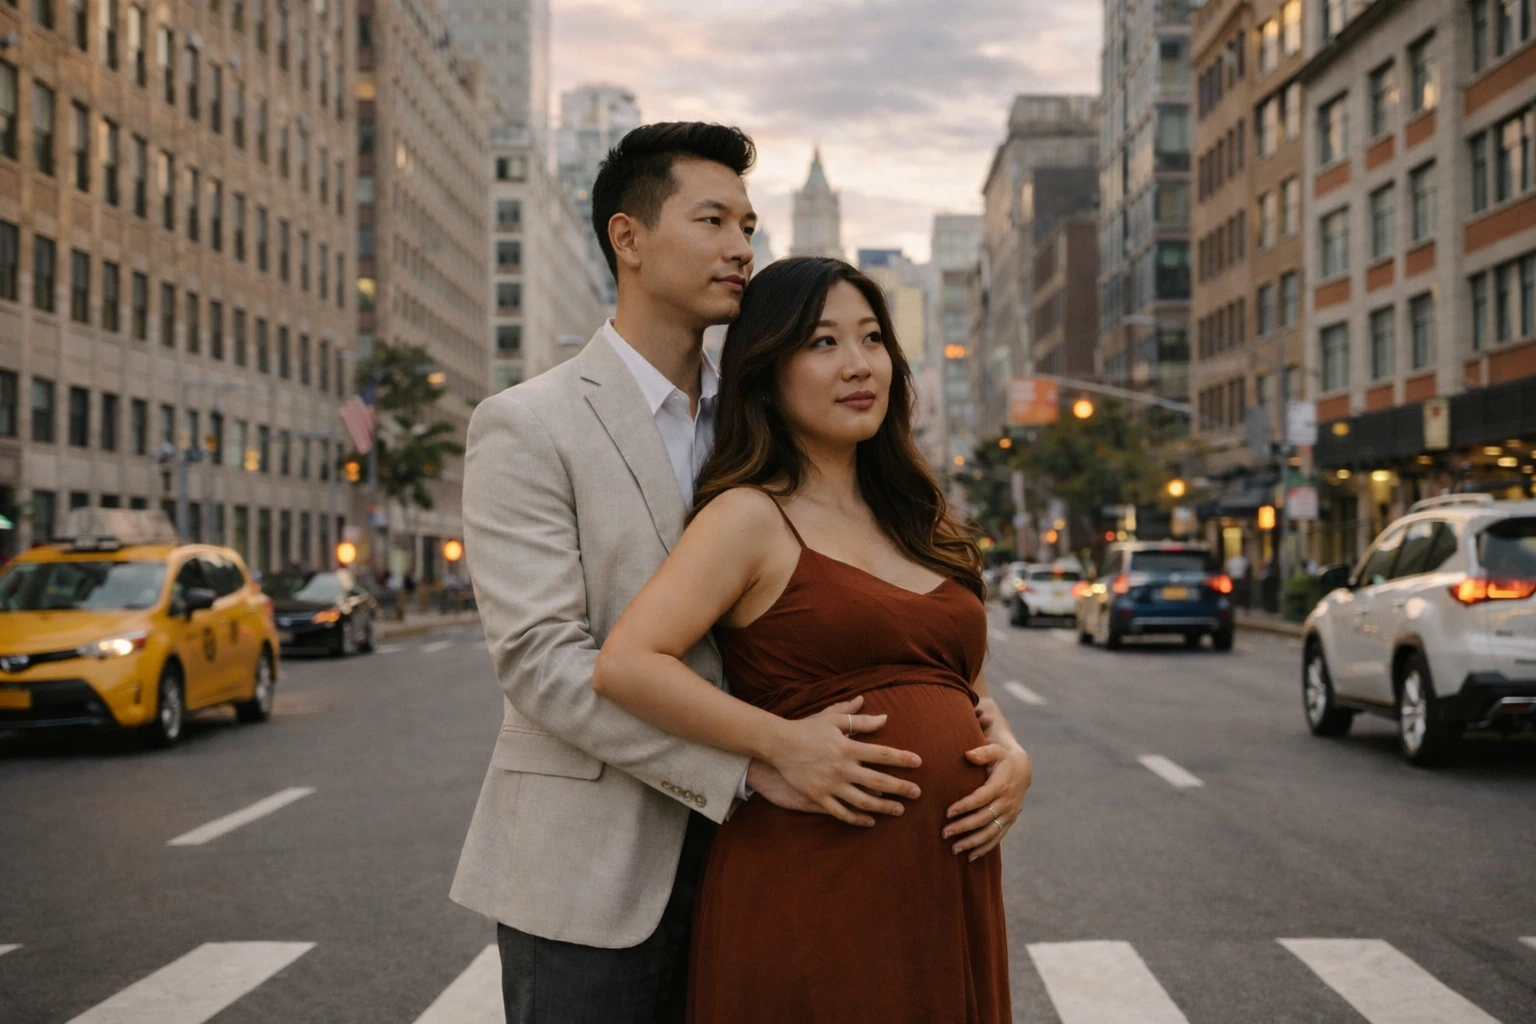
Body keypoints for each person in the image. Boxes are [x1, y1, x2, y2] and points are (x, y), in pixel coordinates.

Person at [453, 123, 926, 1024]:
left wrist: (988, 731)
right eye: (712, 221)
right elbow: (541, 662)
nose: (741, 247)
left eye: (748, 226)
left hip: (769, 863)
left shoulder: (768, 420)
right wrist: (750, 762)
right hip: (589, 876)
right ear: (628, 239)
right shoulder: (527, 424)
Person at [593, 256, 1032, 1022]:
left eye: (872, 338)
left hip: (947, 881)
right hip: (813, 880)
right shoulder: (748, 516)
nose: (859, 364)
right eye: (823, 343)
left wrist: (1013, 756)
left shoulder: (923, 520)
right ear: (767, 373)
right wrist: (779, 745)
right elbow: (628, 665)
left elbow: (963, 687)